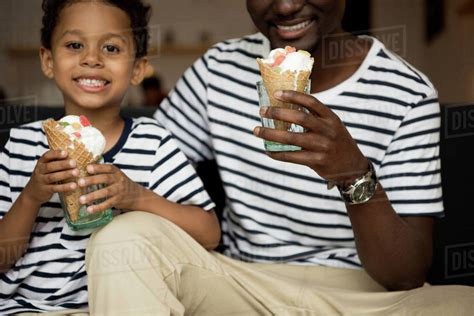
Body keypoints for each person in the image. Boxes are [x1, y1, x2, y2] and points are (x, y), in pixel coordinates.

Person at [88, 1, 474, 315]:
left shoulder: (407, 93)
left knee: (461, 304)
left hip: (360, 294)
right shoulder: (217, 69)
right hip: (239, 283)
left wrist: (353, 173)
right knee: (124, 237)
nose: (286, 6)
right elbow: (138, 169)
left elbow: (404, 275)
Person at [0, 0, 220, 314]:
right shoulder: (20, 144)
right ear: (48, 60)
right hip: (21, 307)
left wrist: (136, 196)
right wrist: (32, 196)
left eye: (112, 49)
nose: (92, 59)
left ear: (138, 69)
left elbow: (209, 235)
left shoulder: (153, 142)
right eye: (74, 45)